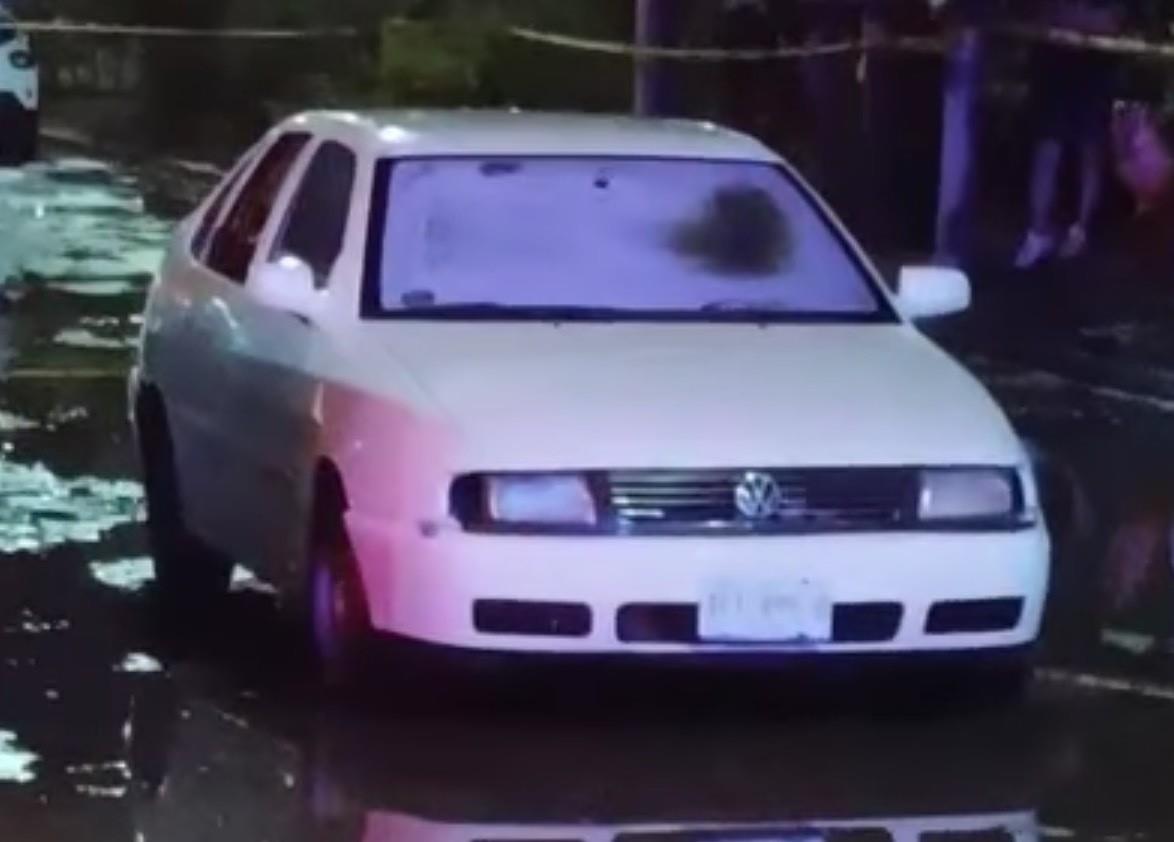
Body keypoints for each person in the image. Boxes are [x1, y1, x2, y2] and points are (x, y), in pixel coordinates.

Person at [1014, 0, 1125, 269]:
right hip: (1055, 61)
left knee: (1090, 149)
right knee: (1048, 147)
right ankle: (1038, 231)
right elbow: (1039, 12)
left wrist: (1074, 19)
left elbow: (1114, 21)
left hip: (1095, 63)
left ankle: (1080, 229)